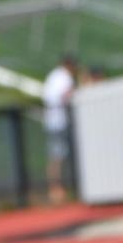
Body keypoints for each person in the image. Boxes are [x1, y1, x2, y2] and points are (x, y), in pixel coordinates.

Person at [41, 54, 77, 204]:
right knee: (58, 156)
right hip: (59, 121)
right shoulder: (64, 77)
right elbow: (67, 95)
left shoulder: (53, 76)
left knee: (56, 156)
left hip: (52, 120)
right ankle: (57, 189)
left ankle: (56, 188)